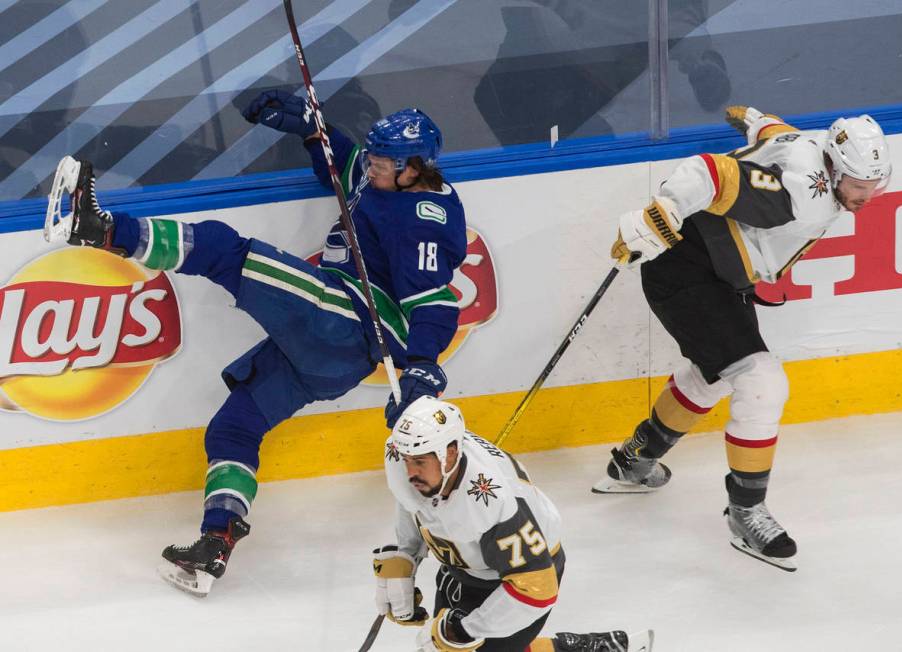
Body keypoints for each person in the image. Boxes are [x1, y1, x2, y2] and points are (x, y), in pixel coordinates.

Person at [51, 91, 468, 596]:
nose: (373, 164)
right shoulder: (383, 177)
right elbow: (346, 166)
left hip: (346, 319)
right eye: (375, 156)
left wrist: (422, 364)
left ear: (414, 168)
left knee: (225, 250)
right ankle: (214, 543)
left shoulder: (425, 218)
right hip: (332, 358)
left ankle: (98, 227)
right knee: (235, 426)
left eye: (384, 160)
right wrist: (311, 130)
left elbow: (436, 302)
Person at [591, 106, 892, 571]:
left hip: (712, 268)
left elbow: (779, 136)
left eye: (874, 185)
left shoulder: (815, 150)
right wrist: (664, 211)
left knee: (712, 374)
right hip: (686, 268)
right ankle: (745, 511)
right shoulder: (802, 194)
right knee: (761, 382)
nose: (866, 196)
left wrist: (756, 119)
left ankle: (635, 459)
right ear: (833, 168)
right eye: (857, 185)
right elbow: (710, 172)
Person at [377, 395, 654, 652]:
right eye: (407, 461)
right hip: (465, 567)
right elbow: (412, 501)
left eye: (420, 462)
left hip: (520, 573)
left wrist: (462, 631)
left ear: (449, 454)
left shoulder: (491, 503)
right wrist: (404, 559)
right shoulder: (404, 458)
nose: (410, 471)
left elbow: (535, 590)